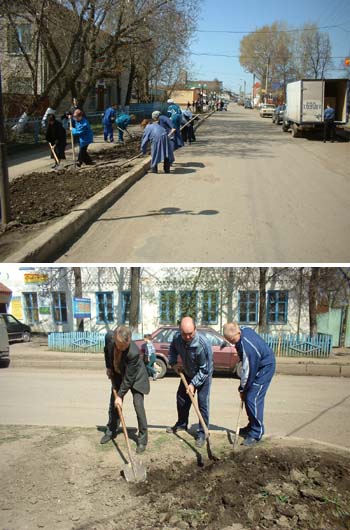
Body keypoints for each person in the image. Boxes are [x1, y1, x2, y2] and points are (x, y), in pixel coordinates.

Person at [223, 322, 276, 447]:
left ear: (238, 333)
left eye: (233, 340)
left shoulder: (248, 348)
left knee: (253, 397)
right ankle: (251, 425)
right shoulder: (243, 329)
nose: (233, 343)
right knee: (249, 396)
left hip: (264, 368)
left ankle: (257, 432)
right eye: (230, 341)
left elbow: (247, 372)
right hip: (257, 363)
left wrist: (242, 389)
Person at [100, 325, 150, 454]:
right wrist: (109, 367)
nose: (119, 348)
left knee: (138, 405)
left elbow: (129, 378)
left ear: (129, 340)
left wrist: (120, 396)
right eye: (118, 344)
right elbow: (107, 351)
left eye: (123, 346)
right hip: (118, 373)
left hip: (136, 377)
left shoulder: (133, 352)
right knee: (113, 405)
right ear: (115, 337)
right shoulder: (110, 338)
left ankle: (143, 440)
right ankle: (111, 430)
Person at [166, 316, 213, 448]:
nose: (187, 337)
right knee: (181, 398)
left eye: (190, 334)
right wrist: (173, 363)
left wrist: (193, 384)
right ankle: (182, 423)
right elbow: (172, 350)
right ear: (180, 331)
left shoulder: (203, 345)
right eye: (184, 334)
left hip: (203, 375)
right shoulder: (177, 338)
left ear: (195, 329)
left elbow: (205, 370)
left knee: (202, 403)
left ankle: (203, 433)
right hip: (187, 372)